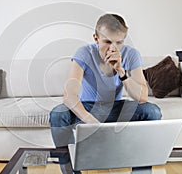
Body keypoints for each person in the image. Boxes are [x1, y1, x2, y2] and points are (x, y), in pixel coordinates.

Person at [49, 13, 162, 149]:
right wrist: (92, 122)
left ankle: (141, 168)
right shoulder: (84, 53)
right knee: (57, 114)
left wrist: (121, 71)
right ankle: (71, 167)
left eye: (118, 42)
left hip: (115, 108)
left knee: (152, 111)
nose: (112, 48)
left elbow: (142, 97)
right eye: (107, 42)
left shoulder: (131, 54)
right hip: (89, 108)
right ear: (96, 39)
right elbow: (69, 96)